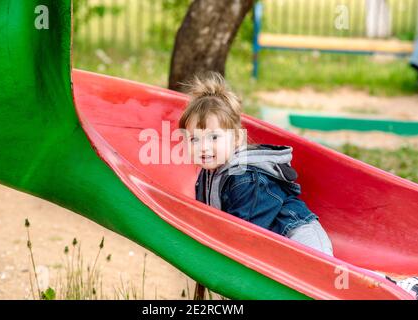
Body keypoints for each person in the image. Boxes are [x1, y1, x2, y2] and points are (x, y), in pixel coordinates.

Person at [177, 71, 417, 299]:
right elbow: (208, 218)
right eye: (194, 139)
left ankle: (396, 286)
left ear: (237, 138)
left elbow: (246, 234)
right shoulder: (207, 176)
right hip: (278, 246)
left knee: (331, 280)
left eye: (214, 137)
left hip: (298, 236)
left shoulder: (245, 178)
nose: (204, 147)